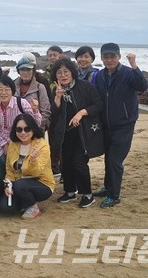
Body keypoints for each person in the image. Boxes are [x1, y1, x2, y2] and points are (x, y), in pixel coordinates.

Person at [93, 43, 148, 208]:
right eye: (106, 57)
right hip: (106, 125)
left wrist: (134, 65)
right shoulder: (100, 75)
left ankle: (114, 195)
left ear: (118, 57)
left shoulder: (128, 74)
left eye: (112, 56)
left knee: (115, 160)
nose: (109, 60)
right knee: (108, 158)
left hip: (124, 124)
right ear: (102, 58)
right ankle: (108, 187)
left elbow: (142, 86)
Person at [50, 58, 103, 208]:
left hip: (82, 132)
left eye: (66, 71)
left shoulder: (84, 86)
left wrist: (81, 113)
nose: (63, 75)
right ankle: (70, 192)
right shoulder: (56, 90)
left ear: (72, 72)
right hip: (65, 134)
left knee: (79, 163)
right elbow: (54, 114)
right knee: (65, 163)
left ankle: (88, 195)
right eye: (59, 72)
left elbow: (98, 104)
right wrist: (58, 98)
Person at [0, 114, 55, 219]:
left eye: (27, 129)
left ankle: (34, 207)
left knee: (20, 185)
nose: (23, 133)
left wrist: (33, 160)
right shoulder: (13, 145)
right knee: (6, 208)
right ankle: (25, 202)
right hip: (18, 183)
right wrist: (7, 185)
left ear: (33, 129)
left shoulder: (42, 145)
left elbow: (37, 172)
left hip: (42, 183)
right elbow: (9, 169)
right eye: (19, 129)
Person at [0, 76, 42, 160]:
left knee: (17, 161)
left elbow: (35, 124)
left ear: (12, 90)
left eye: (7, 89)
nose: (3, 93)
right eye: (0, 90)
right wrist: (4, 144)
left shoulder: (22, 103)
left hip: (19, 137)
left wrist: (35, 110)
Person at [14, 53, 51, 130]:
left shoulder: (40, 87)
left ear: (33, 71)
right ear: (18, 71)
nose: (25, 72)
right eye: (22, 70)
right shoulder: (13, 86)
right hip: (17, 131)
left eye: (28, 69)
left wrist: (34, 128)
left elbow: (46, 111)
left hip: (36, 130)